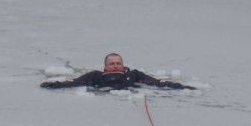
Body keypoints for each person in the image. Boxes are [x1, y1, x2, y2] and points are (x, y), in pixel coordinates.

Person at [40, 53, 195, 90]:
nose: (115, 66)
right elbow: (75, 82)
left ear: (123, 65)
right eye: (112, 64)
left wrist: (177, 86)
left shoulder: (133, 75)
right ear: (105, 67)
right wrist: (56, 85)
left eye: (118, 63)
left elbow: (155, 82)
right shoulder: (95, 75)